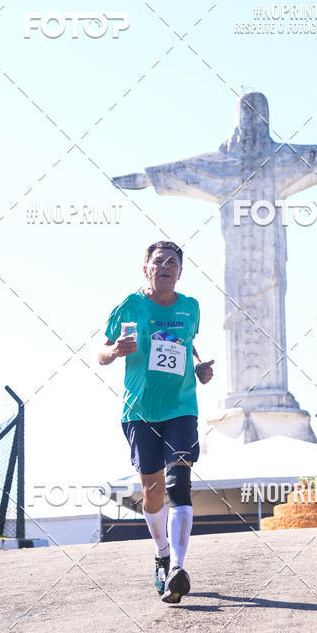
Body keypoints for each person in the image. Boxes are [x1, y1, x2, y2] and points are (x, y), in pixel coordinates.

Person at [98, 241, 214, 603]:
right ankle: (162, 553)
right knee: (152, 491)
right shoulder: (130, 306)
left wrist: (199, 367)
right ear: (145, 268)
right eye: (158, 261)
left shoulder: (190, 307)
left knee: (179, 482)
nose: (165, 267)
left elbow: (188, 342)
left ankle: (178, 567)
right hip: (140, 411)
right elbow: (101, 353)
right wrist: (115, 350)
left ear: (180, 271)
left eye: (172, 262)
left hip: (181, 406)